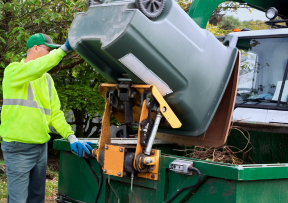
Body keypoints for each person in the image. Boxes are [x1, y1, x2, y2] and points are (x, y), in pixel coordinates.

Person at [0, 33, 93, 203]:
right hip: (17, 148)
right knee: (18, 200)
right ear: (35, 48)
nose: (51, 54)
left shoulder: (48, 80)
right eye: (48, 50)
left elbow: (56, 114)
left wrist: (71, 137)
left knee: (36, 199)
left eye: (53, 51)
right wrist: (63, 50)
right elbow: (34, 68)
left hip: (40, 148)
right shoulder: (13, 71)